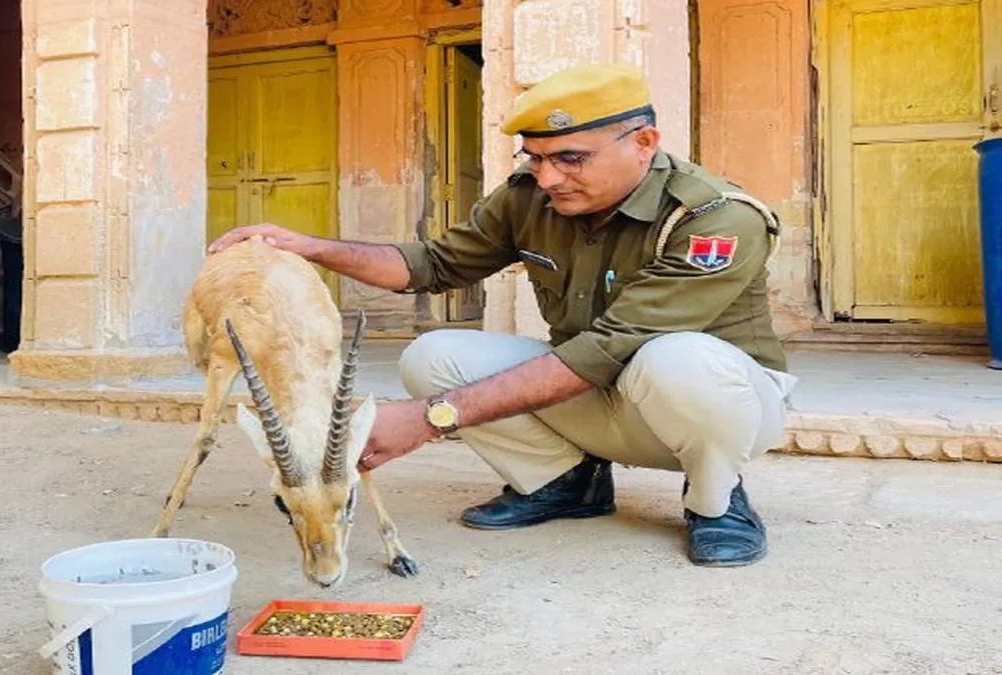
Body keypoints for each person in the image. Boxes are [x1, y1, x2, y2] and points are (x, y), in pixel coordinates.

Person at [207, 62, 798, 567]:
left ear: (643, 142)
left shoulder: (715, 218)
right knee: (435, 354)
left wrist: (428, 418)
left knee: (677, 358)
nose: (548, 177)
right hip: (601, 393)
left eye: (570, 158)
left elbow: (610, 347)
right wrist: (310, 247)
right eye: (535, 158)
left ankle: (716, 501)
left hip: (714, 405)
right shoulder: (531, 196)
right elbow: (434, 265)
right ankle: (565, 483)